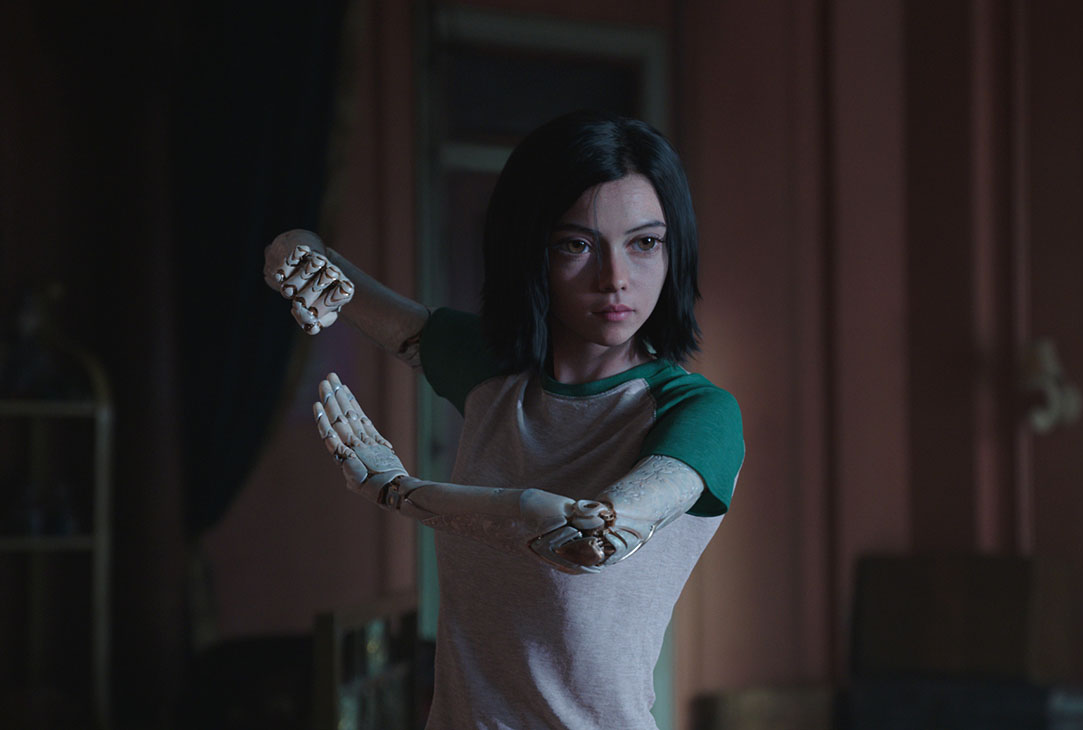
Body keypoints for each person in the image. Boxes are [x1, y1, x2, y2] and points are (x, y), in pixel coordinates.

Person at [262, 110, 744, 729]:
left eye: (645, 242)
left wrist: (400, 491)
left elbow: (591, 537)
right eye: (577, 244)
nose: (616, 279)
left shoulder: (697, 412)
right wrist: (293, 251)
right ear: (531, 249)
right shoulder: (496, 376)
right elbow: (338, 278)